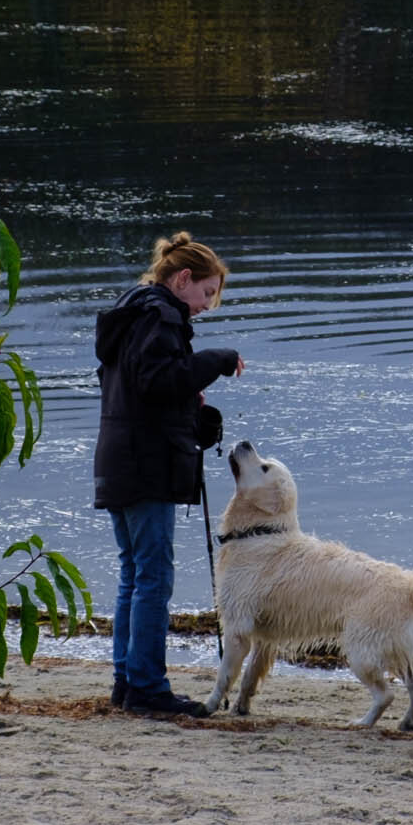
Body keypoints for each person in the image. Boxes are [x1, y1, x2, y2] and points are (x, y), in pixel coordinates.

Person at [94, 232, 244, 717]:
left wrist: (188, 400)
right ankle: (147, 687)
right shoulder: (160, 317)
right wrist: (215, 362)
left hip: (118, 459)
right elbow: (158, 382)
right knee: (153, 577)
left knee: (133, 575)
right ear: (183, 279)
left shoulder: (132, 313)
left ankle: (127, 679)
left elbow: (144, 388)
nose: (206, 306)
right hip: (144, 466)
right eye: (206, 294)